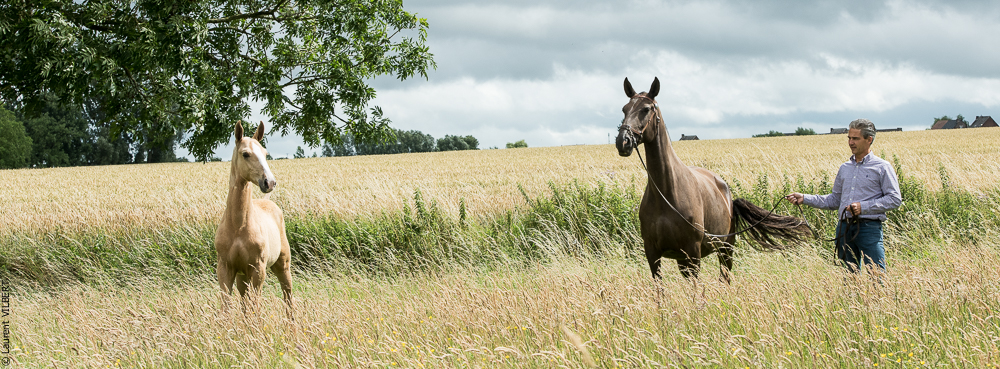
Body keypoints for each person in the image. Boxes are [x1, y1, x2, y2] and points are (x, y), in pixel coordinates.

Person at [785, 119, 902, 273]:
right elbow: (834, 200)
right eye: (849, 138)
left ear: (869, 140)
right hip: (844, 228)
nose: (851, 142)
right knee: (848, 278)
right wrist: (804, 198)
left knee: (876, 276)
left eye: (855, 138)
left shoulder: (882, 167)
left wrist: (863, 207)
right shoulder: (845, 168)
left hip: (869, 228)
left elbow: (894, 199)